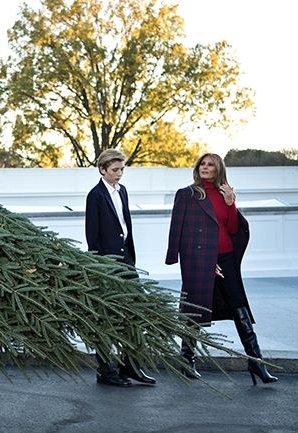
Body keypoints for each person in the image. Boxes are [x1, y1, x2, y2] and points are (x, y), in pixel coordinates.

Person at [165, 153, 278, 384]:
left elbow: (234, 228)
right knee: (194, 310)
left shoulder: (225, 194)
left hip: (226, 259)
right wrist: (201, 260)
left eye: (211, 165)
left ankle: (256, 363)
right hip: (199, 260)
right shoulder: (187, 194)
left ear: (218, 170)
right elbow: (180, 232)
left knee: (240, 307)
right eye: (203, 164)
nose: (206, 167)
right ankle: (187, 360)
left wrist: (231, 203)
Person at [85, 148, 156, 387]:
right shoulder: (95, 195)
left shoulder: (122, 191)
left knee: (135, 312)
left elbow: (125, 223)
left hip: (126, 261)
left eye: (122, 169)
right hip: (106, 263)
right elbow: (92, 236)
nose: (119, 174)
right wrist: (98, 266)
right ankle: (105, 370)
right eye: (115, 170)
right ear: (102, 170)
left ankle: (131, 366)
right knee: (106, 316)